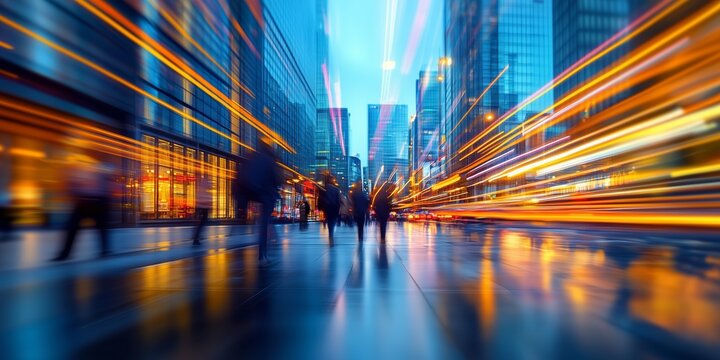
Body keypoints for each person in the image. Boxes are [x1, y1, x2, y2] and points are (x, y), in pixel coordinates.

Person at [53, 154, 113, 261]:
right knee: (97, 228)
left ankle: (65, 253)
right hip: (87, 202)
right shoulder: (95, 168)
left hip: (92, 202)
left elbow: (105, 186)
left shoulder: (97, 168)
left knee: (74, 228)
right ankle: (104, 250)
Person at [240, 138, 280, 266]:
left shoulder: (252, 156)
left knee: (263, 221)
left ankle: (263, 251)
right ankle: (262, 254)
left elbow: (243, 174)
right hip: (267, 194)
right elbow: (276, 179)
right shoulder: (270, 159)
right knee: (265, 221)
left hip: (253, 192)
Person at [192, 170, 212, 245]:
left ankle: (196, 237)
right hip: (205, 206)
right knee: (202, 223)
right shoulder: (206, 183)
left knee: (199, 223)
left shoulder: (200, 184)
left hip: (199, 205)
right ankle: (196, 237)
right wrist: (210, 205)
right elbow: (208, 194)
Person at [319, 173, 340, 242]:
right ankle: (331, 233)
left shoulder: (323, 189)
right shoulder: (336, 190)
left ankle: (330, 233)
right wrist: (338, 209)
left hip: (327, 207)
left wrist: (320, 207)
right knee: (332, 221)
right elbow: (338, 201)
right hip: (334, 208)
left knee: (329, 220)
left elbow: (320, 199)